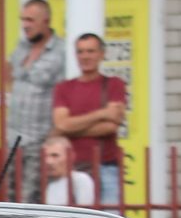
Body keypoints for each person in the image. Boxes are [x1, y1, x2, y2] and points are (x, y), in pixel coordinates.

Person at [3, 0, 70, 202]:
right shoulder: (21, 47)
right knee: (10, 198)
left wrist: (54, 133)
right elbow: (9, 75)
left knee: (30, 199)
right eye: (23, 19)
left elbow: (65, 93)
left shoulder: (60, 51)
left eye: (30, 20)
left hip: (39, 138)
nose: (25, 25)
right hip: (13, 137)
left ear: (46, 21)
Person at [53, 31, 129, 208]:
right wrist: (101, 114)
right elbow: (61, 124)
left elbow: (111, 126)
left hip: (107, 166)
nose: (85, 56)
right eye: (80, 52)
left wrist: (72, 128)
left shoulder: (114, 84)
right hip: (74, 168)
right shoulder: (65, 88)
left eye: (90, 51)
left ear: (101, 54)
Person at [38, 134, 98, 207]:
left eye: (55, 155)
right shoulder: (43, 183)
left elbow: (85, 211)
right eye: (45, 156)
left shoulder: (80, 179)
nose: (48, 161)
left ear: (71, 156)